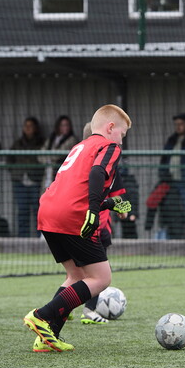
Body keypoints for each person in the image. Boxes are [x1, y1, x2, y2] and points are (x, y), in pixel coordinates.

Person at [23, 104, 133, 352]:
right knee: (101, 278)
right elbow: (96, 173)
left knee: (75, 276)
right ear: (110, 127)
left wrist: (107, 204)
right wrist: (94, 210)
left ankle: (47, 336)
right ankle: (42, 316)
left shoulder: (79, 146)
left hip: (48, 210)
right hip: (73, 215)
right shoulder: (109, 146)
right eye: (122, 134)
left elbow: (75, 186)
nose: (122, 141)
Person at [71, 121, 134, 325]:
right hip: (98, 227)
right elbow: (119, 200)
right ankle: (89, 310)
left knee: (76, 274)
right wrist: (122, 212)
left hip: (72, 224)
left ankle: (62, 308)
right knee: (100, 275)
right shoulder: (107, 163)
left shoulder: (76, 160)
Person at [9, 117, 45, 237]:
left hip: (35, 181)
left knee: (38, 211)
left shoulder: (41, 143)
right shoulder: (18, 143)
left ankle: (39, 237)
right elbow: (9, 160)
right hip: (20, 181)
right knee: (22, 211)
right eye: (26, 126)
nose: (28, 128)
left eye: (30, 126)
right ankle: (22, 238)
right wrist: (15, 173)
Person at [41, 115, 78, 180]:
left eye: (67, 125)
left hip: (60, 170)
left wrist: (48, 158)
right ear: (58, 126)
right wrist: (46, 160)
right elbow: (41, 153)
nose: (65, 128)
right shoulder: (52, 138)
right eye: (63, 125)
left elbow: (59, 154)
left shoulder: (72, 139)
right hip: (48, 170)